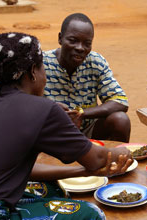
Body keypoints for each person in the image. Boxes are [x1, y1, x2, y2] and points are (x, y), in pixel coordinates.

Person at [0, 32, 132, 219]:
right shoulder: (42, 109)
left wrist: (82, 172)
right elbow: (96, 159)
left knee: (52, 188)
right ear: (32, 72)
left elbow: (19, 170)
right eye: (42, 68)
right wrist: (125, 153)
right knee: (91, 213)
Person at [43, 13, 131, 142]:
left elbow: (120, 101)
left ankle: (118, 161)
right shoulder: (41, 64)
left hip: (87, 130)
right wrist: (52, 110)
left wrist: (81, 113)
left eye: (87, 43)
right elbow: (22, 102)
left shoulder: (95, 61)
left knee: (120, 120)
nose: (80, 48)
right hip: (51, 132)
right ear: (60, 38)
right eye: (73, 41)